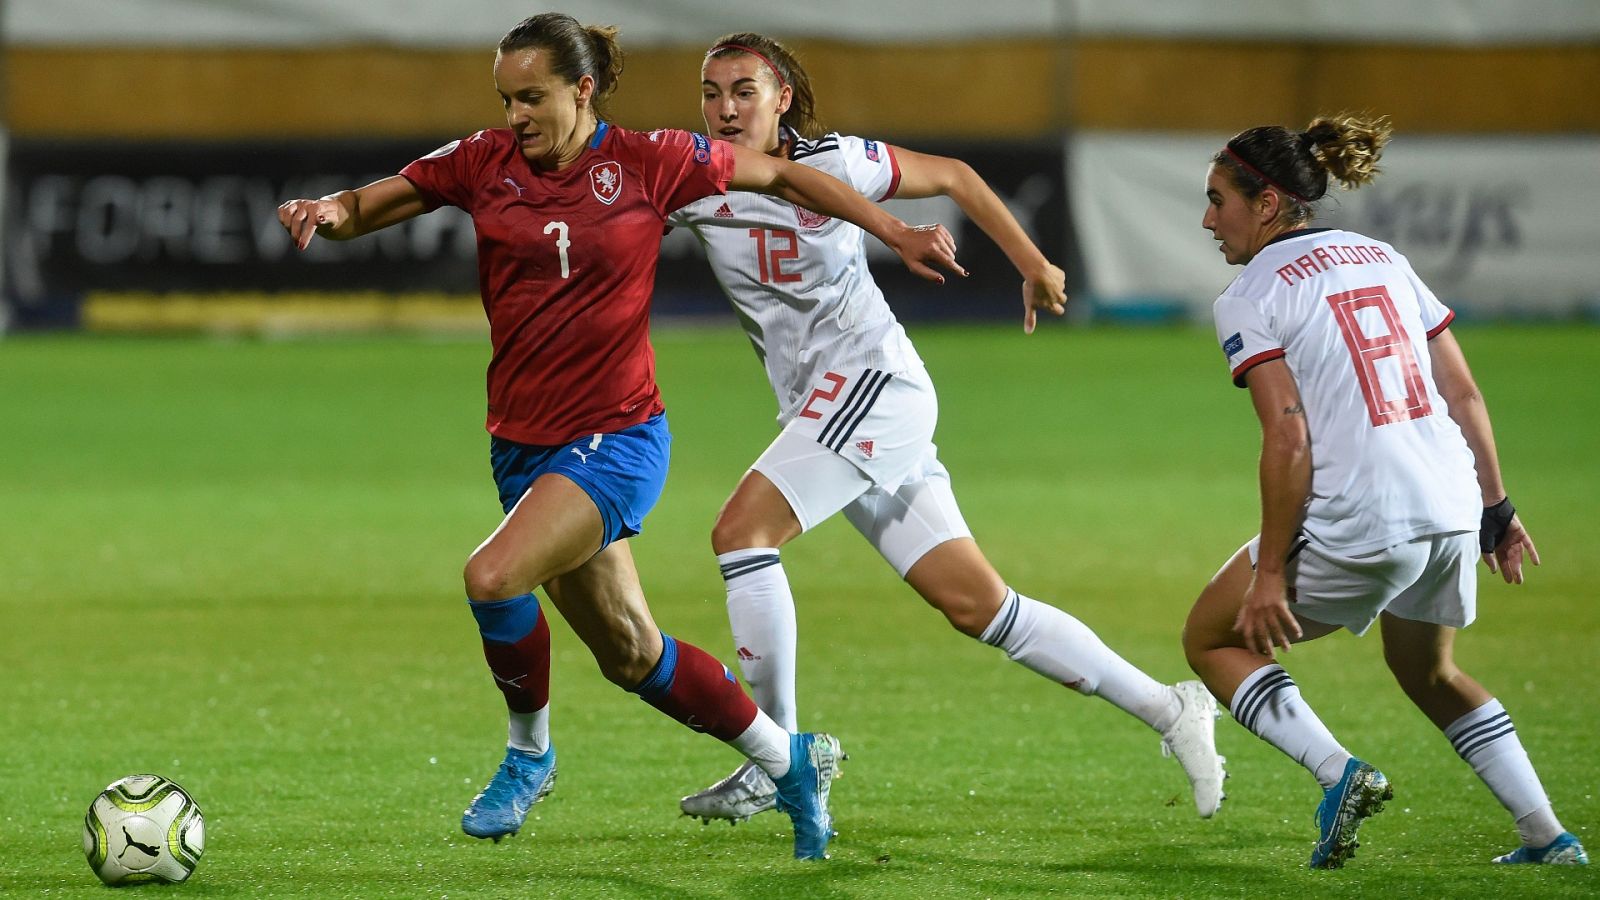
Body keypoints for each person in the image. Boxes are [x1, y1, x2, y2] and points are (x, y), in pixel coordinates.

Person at [276, 13, 963, 861]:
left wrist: (890, 229)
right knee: (632, 655)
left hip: (617, 439)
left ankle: (529, 755)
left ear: (583, 89)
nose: (516, 115)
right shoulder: (482, 161)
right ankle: (790, 761)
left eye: (532, 97)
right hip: (521, 444)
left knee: (492, 578)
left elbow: (782, 178)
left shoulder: (653, 161)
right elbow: (370, 205)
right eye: (506, 98)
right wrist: (326, 211)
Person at [668, 33, 1225, 827]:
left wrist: (1033, 263)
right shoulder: (693, 178)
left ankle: (778, 758)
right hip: (828, 413)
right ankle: (1172, 709)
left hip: (873, 388)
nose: (726, 108)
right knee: (980, 607)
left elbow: (956, 177)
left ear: (782, 97)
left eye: (744, 91)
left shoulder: (838, 163)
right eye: (712, 91)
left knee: (741, 536)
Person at [1183, 113, 1587, 868]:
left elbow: (1288, 436)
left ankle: (1340, 774)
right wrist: (1497, 509)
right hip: (1450, 505)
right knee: (1429, 672)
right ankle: (1549, 837)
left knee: (1211, 638)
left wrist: (1270, 574)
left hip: (1366, 514)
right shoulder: (1383, 256)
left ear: (1267, 203)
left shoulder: (1249, 294)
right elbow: (1463, 394)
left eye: (1218, 200)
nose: (1208, 219)